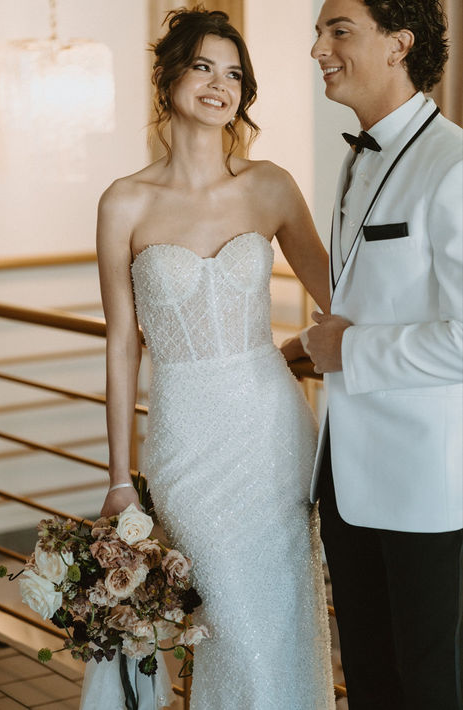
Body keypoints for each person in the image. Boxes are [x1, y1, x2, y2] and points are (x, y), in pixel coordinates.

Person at [94, 6, 335, 709]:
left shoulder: (270, 185)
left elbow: (340, 299)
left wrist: (291, 351)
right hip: (184, 436)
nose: (217, 84)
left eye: (233, 73)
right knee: (226, 616)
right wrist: (118, 477)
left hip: (269, 428)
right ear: (168, 76)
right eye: (201, 65)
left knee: (280, 613)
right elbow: (120, 342)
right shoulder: (124, 202)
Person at [283, 1, 463, 708]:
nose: (317, 49)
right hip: (346, 479)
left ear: (398, 44)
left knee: (430, 686)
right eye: (317, 32)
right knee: (369, 677)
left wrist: (347, 349)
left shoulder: (453, 164)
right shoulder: (355, 160)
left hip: (424, 487)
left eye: (338, 31)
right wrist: (303, 349)